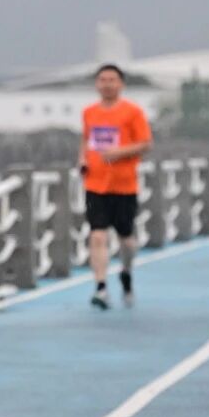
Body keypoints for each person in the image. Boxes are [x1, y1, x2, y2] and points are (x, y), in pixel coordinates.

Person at [78, 63, 153, 310]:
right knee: (97, 235)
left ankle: (126, 271)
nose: (107, 84)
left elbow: (145, 143)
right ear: (96, 84)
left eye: (112, 80)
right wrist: (82, 160)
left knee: (126, 240)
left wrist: (118, 153)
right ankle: (100, 287)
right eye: (102, 80)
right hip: (95, 185)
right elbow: (86, 140)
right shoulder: (89, 112)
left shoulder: (132, 112)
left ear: (121, 84)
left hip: (124, 186)